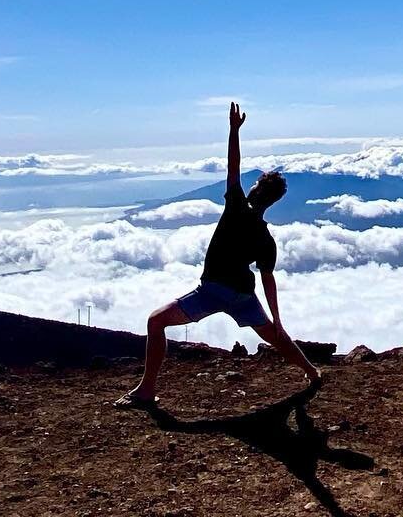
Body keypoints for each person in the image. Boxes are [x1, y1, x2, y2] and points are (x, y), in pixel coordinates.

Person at [117, 102, 320, 407]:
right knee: (275, 337)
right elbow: (268, 281)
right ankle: (312, 373)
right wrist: (277, 319)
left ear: (254, 190)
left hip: (211, 291)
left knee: (155, 322)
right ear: (274, 202)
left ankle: (146, 391)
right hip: (242, 296)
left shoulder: (236, 206)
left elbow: (233, 166)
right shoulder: (266, 239)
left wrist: (234, 131)